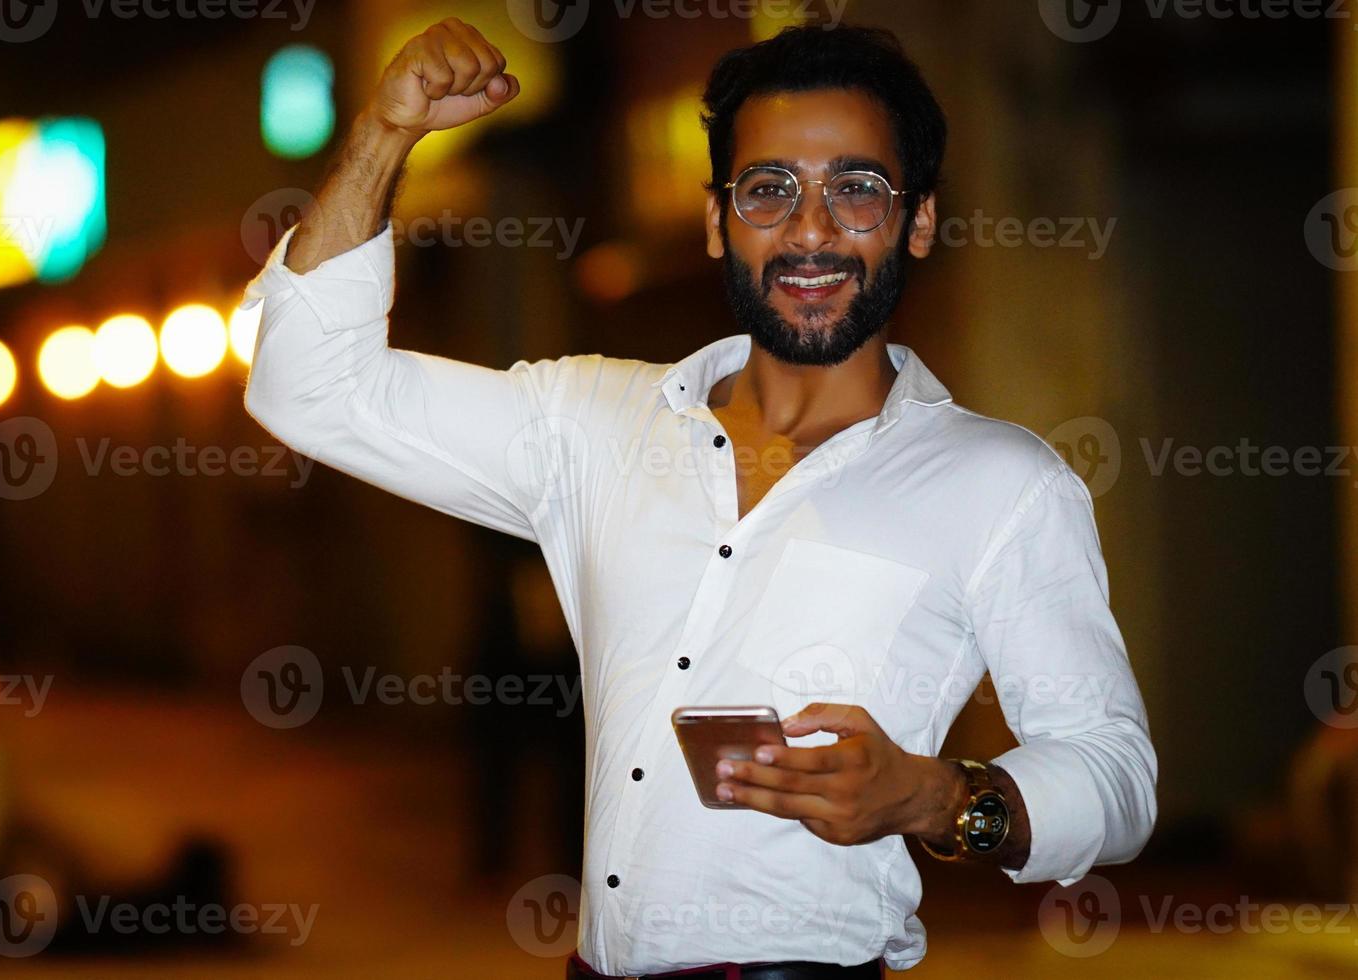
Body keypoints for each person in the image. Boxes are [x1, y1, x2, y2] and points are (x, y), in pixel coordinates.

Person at [243, 18, 1156, 979]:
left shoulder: (1001, 483)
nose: (810, 229)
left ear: (917, 219)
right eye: (770, 191)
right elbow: (307, 386)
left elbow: (1116, 777)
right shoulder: (588, 422)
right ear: (718, 219)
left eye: (857, 189)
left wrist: (931, 798)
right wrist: (385, 134)